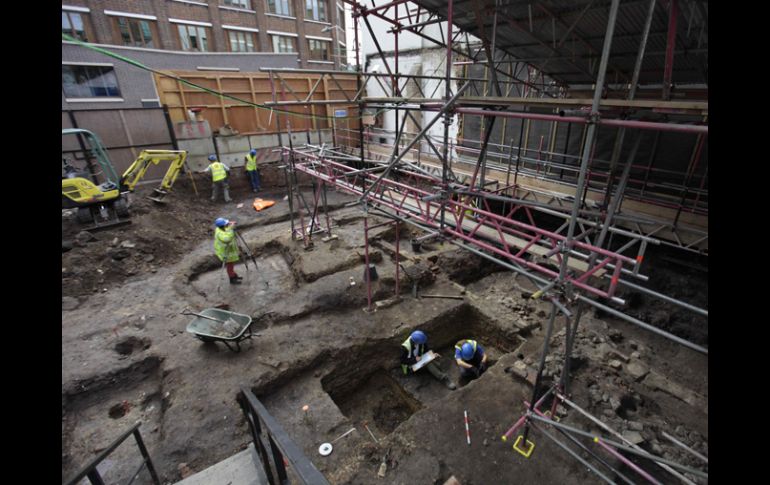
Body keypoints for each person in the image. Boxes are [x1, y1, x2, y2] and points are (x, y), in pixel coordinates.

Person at [214, 217, 241, 284]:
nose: (227, 225)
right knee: (230, 266)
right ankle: (232, 279)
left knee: (231, 265)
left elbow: (226, 230)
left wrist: (230, 224)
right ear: (223, 226)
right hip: (226, 253)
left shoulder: (220, 228)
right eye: (226, 224)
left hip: (228, 251)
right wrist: (231, 229)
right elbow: (227, 239)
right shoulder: (220, 233)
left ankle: (234, 275)